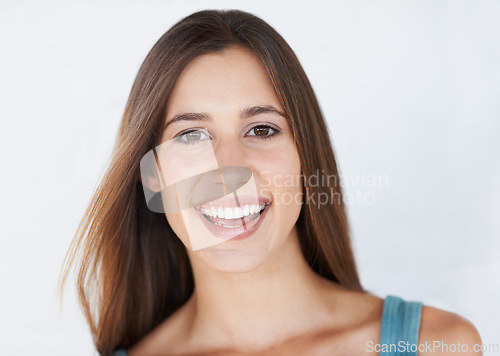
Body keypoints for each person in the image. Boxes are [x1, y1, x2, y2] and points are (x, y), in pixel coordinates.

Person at [60, 9, 482, 356]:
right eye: (191, 135)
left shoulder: (438, 346)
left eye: (261, 130)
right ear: (153, 178)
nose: (229, 169)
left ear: (305, 156)